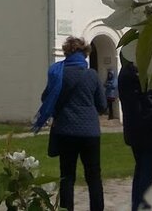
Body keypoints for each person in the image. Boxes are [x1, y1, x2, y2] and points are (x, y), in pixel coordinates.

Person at [31, 36, 107, 211]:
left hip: (65, 130)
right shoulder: (92, 75)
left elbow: (46, 97)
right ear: (84, 54)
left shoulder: (58, 73)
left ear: (67, 52)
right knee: (94, 176)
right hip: (90, 132)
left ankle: (67, 209)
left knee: (67, 177)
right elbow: (102, 105)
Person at [118, 58, 152, 211]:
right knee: (147, 175)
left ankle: (137, 206)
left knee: (141, 170)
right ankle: (143, 206)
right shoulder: (147, 69)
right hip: (151, 127)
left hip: (133, 127)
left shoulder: (125, 72)